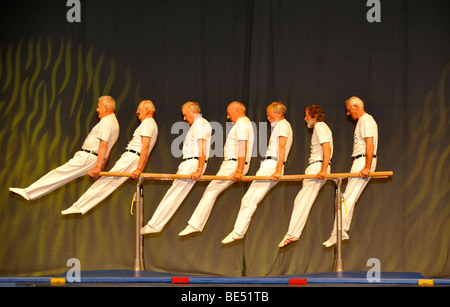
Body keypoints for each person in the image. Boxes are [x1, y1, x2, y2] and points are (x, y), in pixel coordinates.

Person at [9, 96, 120, 201]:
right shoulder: (114, 123)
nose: (97, 109)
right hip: (93, 158)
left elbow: (104, 145)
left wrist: (98, 167)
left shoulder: (106, 122)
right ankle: (30, 193)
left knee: (60, 173)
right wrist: (100, 168)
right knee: (61, 176)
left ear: (105, 108)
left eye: (99, 107)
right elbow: (107, 150)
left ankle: (28, 192)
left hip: (88, 157)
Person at [61, 100, 158, 215]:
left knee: (106, 181)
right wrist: (139, 168)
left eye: (139, 109)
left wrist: (139, 169)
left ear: (146, 110)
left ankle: (79, 206)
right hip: (134, 158)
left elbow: (145, 148)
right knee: (109, 182)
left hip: (132, 157)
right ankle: (81, 206)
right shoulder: (152, 124)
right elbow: (146, 151)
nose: (137, 112)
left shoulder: (147, 123)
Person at [179, 101, 254, 237]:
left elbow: (243, 147)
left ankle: (195, 224)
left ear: (237, 111)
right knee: (211, 192)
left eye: (229, 113)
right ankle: (195, 224)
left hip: (234, 164)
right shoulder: (244, 123)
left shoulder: (242, 124)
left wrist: (239, 169)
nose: (227, 117)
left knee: (210, 192)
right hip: (234, 164)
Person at [222, 102, 293, 244]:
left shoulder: (282, 126)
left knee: (249, 200)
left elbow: (282, 147)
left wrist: (278, 170)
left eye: (270, 115)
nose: (268, 118)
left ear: (279, 113)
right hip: (271, 164)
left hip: (271, 166)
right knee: (250, 200)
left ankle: (238, 231)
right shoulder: (282, 126)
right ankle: (239, 231)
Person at [140, 102, 212, 235]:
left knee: (174, 193)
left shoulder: (200, 124)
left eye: (185, 115)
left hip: (193, 163)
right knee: (175, 193)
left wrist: (199, 169)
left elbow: (202, 148)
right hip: (191, 162)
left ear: (193, 112)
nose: (184, 119)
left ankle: (154, 225)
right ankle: (155, 225)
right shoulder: (198, 124)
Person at [323, 96, 378, 247]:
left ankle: (338, 233)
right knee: (349, 199)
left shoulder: (366, 120)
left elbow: (370, 144)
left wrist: (366, 166)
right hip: (360, 161)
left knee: (346, 199)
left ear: (356, 107)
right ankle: (341, 232)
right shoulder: (363, 121)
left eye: (349, 110)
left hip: (363, 161)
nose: (348, 114)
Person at [279, 105, 333, 247]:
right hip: (318, 165)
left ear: (314, 116)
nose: (305, 119)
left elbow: (327, 148)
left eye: (307, 116)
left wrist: (323, 169)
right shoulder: (322, 127)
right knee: (302, 200)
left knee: (302, 201)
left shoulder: (320, 126)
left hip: (318, 166)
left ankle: (292, 234)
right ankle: (293, 233)